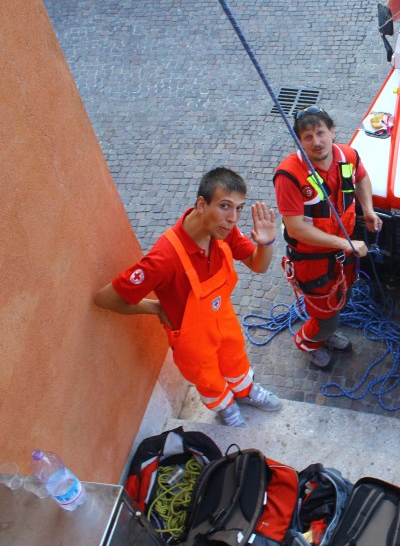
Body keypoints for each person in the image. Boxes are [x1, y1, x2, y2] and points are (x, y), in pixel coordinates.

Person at [94, 168, 282, 428]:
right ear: (202, 204)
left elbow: (258, 265)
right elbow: (106, 298)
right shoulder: (164, 259)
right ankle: (224, 406)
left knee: (235, 357)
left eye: (238, 208)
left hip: (223, 318)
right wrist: (156, 308)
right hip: (191, 337)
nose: (232, 219)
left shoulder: (223, 232)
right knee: (206, 376)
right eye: (225, 206)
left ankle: (245, 390)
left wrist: (267, 242)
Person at [274, 106, 381, 370]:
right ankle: (307, 342)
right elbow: (297, 228)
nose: (317, 142)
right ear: (299, 141)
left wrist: (367, 209)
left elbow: (362, 178)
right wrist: (345, 244)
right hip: (314, 260)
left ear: (332, 132)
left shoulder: (348, 156)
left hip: (343, 253)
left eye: (320, 133)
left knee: (338, 301)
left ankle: (325, 335)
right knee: (325, 315)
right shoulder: (289, 176)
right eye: (308, 137)